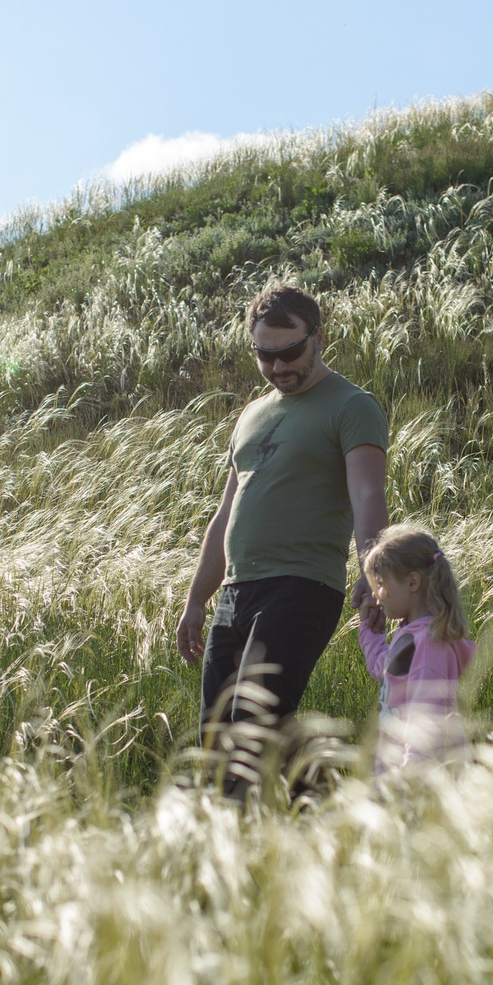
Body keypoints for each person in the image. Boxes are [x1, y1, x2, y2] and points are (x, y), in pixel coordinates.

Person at [176, 284, 390, 796]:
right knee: (217, 732)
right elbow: (226, 512)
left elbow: (366, 493)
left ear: (318, 338)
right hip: (236, 589)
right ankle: (324, 804)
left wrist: (373, 570)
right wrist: (195, 599)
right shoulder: (251, 414)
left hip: (302, 585)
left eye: (290, 351)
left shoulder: (352, 406)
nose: (277, 367)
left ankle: (253, 842)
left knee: (252, 719)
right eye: (264, 356)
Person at [355, 525, 475, 775]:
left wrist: (409, 778)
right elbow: (383, 667)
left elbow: (427, 717)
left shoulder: (430, 643)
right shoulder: (411, 633)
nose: (378, 596)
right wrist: (369, 629)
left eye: (381, 584)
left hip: (421, 778)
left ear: (412, 582)